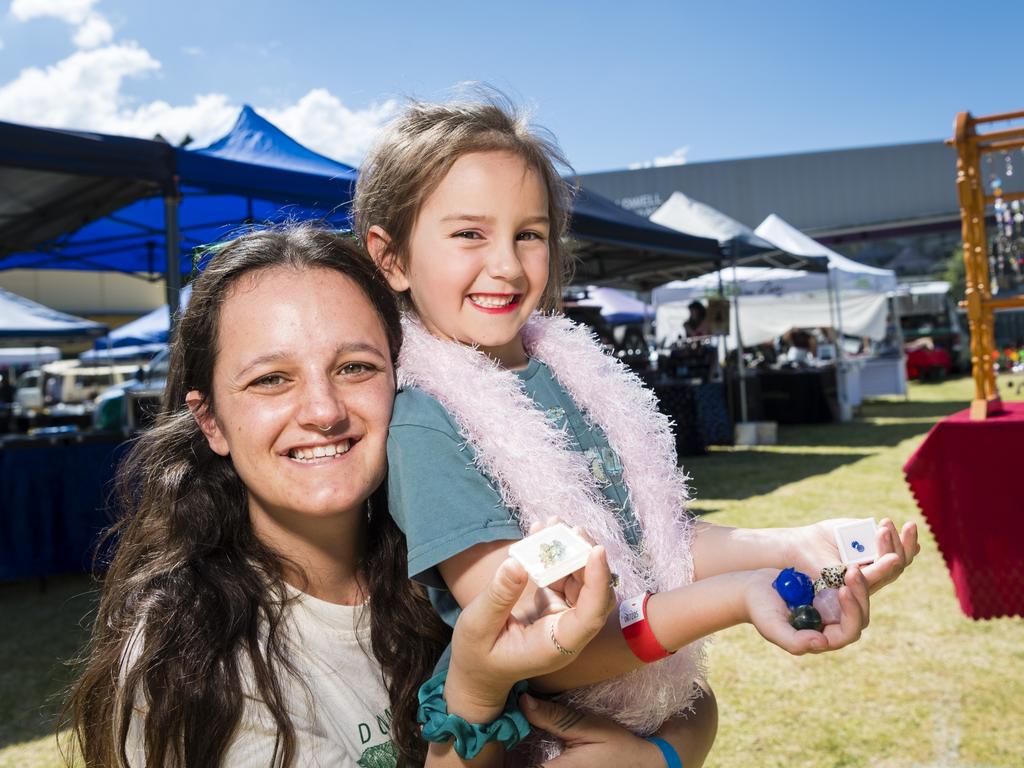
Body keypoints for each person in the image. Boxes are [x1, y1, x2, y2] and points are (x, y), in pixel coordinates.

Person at [355, 94, 919, 764]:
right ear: (390, 258)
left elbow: (655, 543)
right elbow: (532, 636)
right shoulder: (426, 420)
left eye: (528, 234)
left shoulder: (570, 373)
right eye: (469, 234)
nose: (506, 264)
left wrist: (799, 547)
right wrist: (735, 597)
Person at [65, 226, 687, 768]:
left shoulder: (456, 547)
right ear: (212, 422)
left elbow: (668, 686)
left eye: (355, 368)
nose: (322, 411)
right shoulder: (192, 661)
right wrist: (473, 687)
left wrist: (666, 752)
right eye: (271, 379)